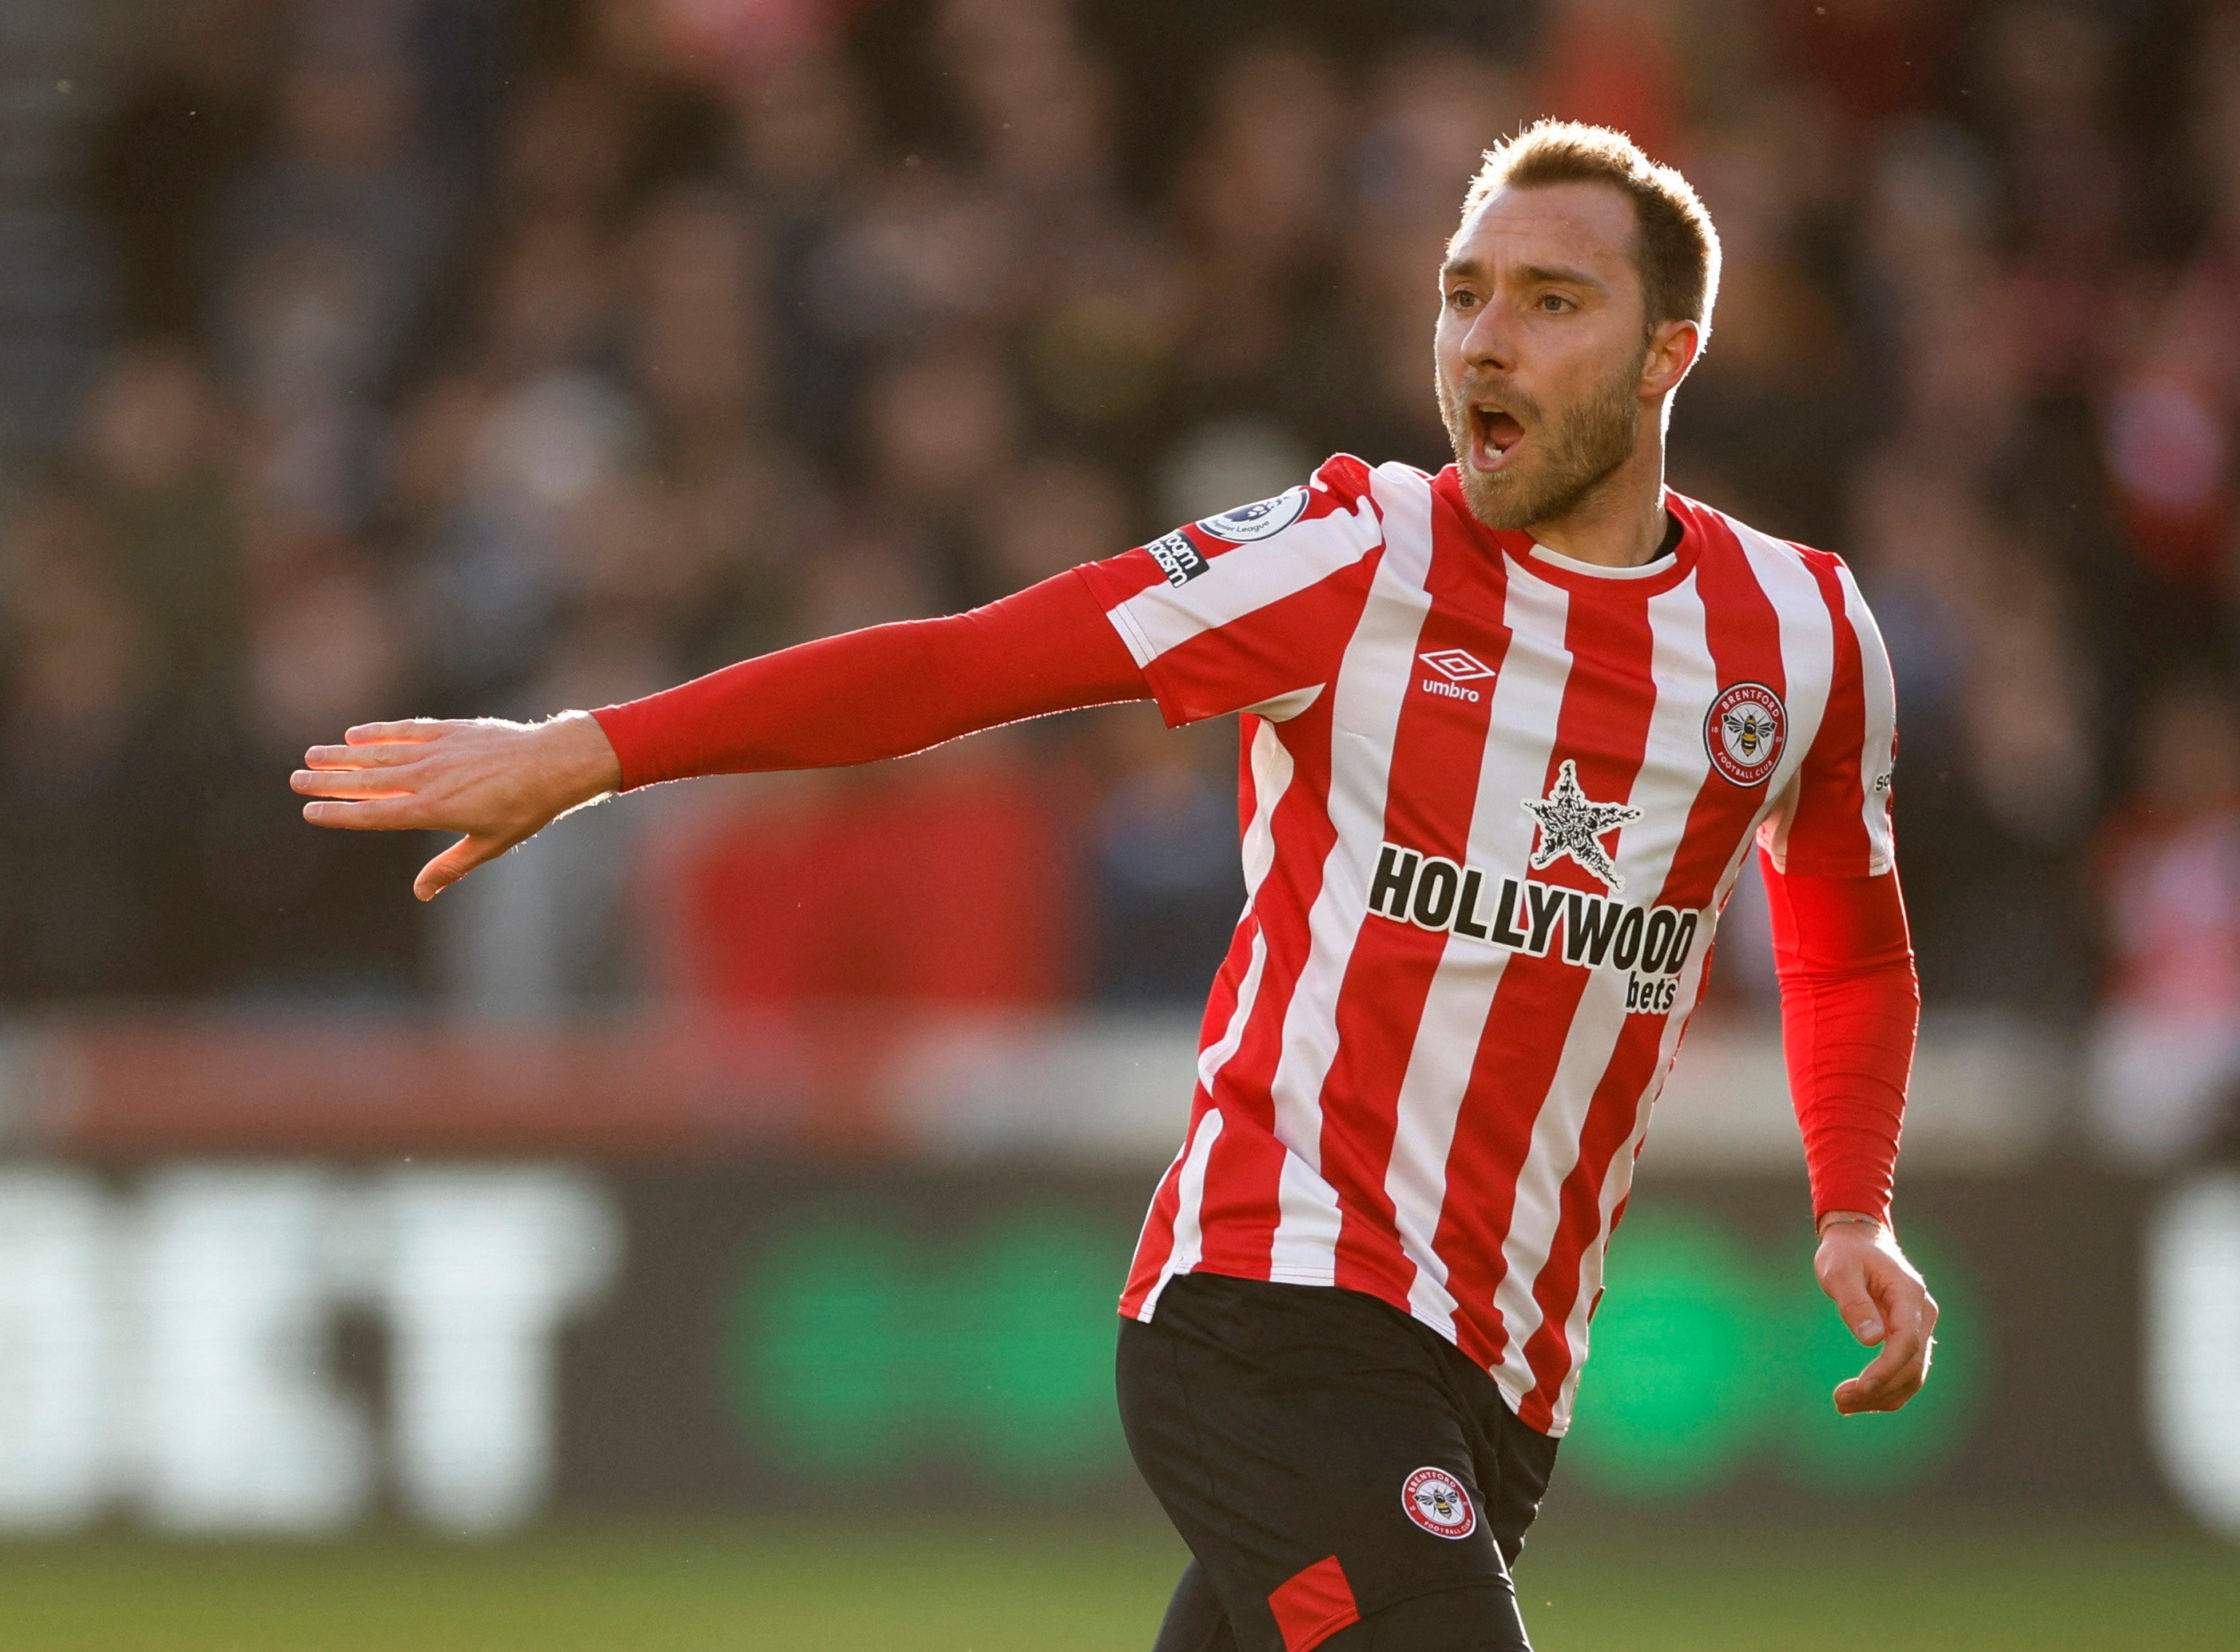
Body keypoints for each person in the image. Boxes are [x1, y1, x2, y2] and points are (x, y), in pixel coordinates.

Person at [296, 121, 1935, 1652]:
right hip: (1275, 1306)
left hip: (1503, 1374)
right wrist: (592, 748)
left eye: (1551, 300)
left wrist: (1853, 1197)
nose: (1483, 339)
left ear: (1669, 357)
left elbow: (1847, 929)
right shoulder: (1357, 556)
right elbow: (961, 667)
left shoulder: (1797, 638)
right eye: (1462, 294)